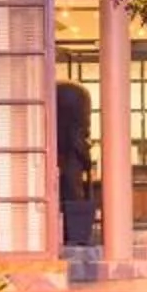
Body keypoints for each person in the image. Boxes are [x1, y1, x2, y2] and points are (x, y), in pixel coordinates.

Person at [56, 78, 99, 247]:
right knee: (74, 195)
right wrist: (87, 161)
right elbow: (78, 139)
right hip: (72, 163)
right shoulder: (75, 126)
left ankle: (65, 233)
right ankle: (75, 234)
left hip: (58, 161)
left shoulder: (53, 132)